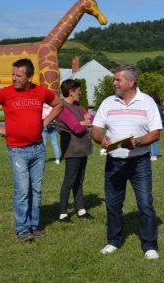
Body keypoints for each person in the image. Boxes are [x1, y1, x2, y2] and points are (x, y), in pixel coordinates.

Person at [0, 58, 63, 241]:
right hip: (17, 150)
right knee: (23, 190)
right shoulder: (6, 93)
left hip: (38, 149)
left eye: (18, 75)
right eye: (13, 74)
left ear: (30, 77)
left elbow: (59, 104)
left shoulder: (41, 92)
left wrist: (46, 122)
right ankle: (22, 229)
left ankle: (33, 226)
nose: (14, 78)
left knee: (36, 190)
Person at [91, 64, 162, 260]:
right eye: (114, 79)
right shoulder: (108, 102)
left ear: (131, 82)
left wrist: (137, 141)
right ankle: (113, 241)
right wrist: (100, 139)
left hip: (140, 163)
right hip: (114, 163)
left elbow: (156, 133)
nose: (114, 83)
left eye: (117, 80)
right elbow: (95, 129)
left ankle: (149, 245)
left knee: (146, 204)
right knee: (113, 205)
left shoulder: (147, 102)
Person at [55, 79, 94, 224]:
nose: (80, 92)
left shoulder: (77, 106)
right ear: (71, 91)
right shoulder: (62, 107)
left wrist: (84, 122)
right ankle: (63, 213)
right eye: (78, 90)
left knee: (79, 181)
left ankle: (81, 210)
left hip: (82, 149)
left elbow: (92, 119)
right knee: (69, 181)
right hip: (72, 150)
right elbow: (76, 128)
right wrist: (83, 123)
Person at [150, 92, 164, 161]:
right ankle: (153, 154)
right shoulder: (159, 106)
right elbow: (162, 116)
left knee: (153, 140)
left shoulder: (154, 106)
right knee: (154, 140)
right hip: (157, 124)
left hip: (155, 124)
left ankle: (154, 154)